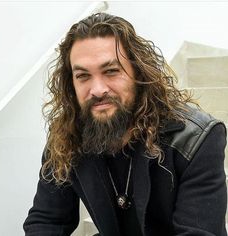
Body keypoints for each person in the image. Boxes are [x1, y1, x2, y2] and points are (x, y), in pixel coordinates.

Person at [23, 12, 227, 236]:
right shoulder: (66, 137)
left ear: (138, 73)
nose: (97, 89)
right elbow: (46, 221)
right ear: (70, 84)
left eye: (111, 71)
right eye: (83, 76)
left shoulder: (195, 139)